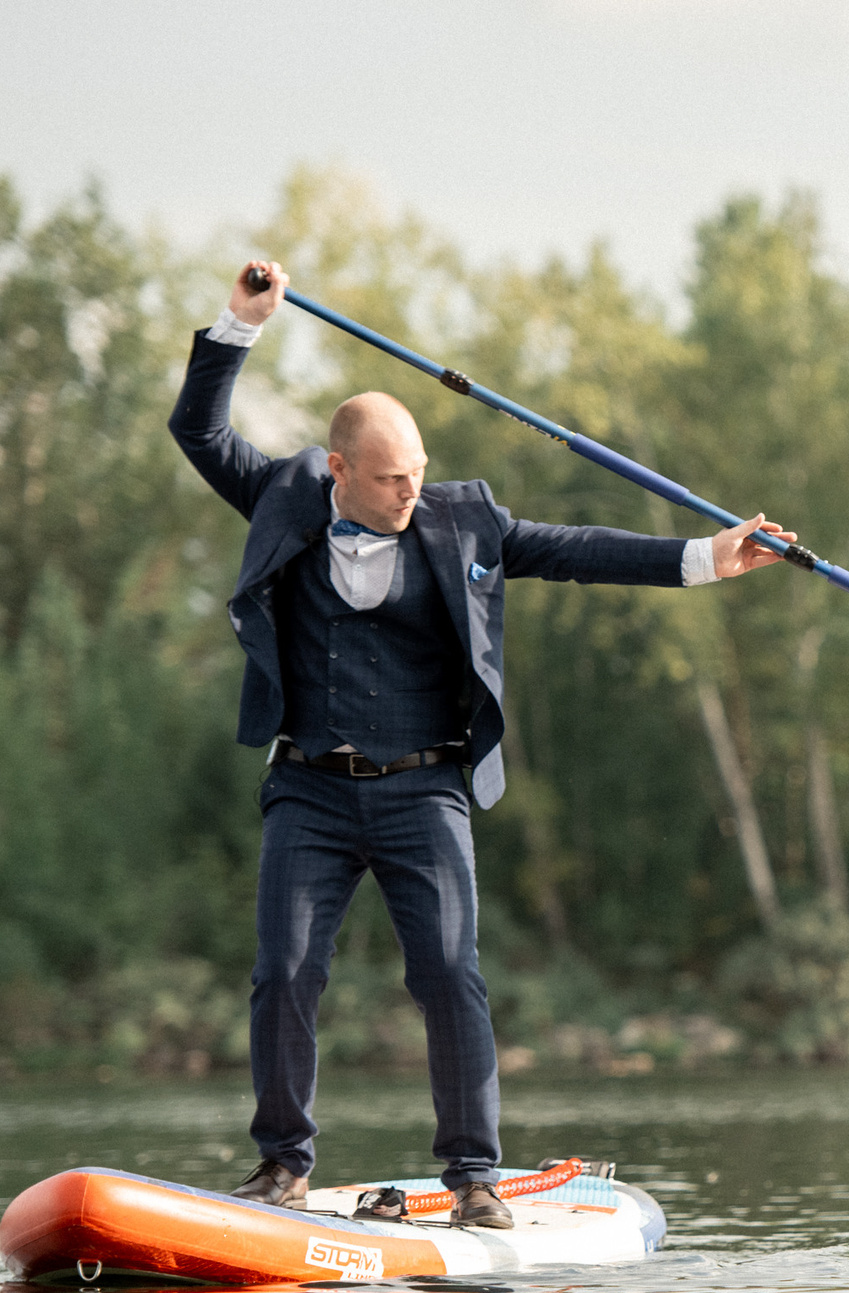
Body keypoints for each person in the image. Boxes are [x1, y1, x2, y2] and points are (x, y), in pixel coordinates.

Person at [171, 261, 792, 1228]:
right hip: (311, 788)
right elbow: (198, 431)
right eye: (387, 479)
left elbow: (575, 551)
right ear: (338, 470)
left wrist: (710, 556)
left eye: (416, 472)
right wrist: (239, 325)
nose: (408, 492)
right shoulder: (285, 496)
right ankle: (281, 1167)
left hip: (426, 791)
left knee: (449, 971)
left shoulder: (461, 518)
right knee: (284, 967)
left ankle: (474, 1178)